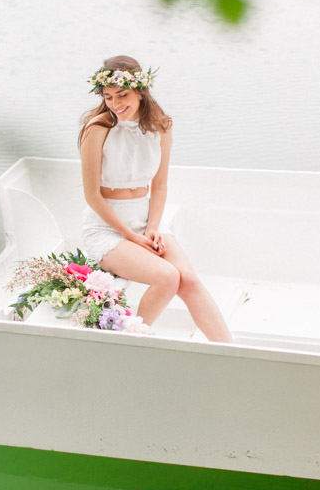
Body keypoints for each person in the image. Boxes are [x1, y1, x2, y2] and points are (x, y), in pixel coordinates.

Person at [79, 54, 233, 343]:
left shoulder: (162, 125)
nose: (115, 104)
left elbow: (159, 185)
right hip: (107, 225)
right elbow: (92, 196)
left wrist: (152, 227)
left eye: (122, 95)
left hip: (145, 218)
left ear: (140, 89)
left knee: (189, 280)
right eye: (109, 97)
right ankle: (129, 342)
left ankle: (233, 354)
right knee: (167, 277)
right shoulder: (98, 128)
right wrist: (131, 237)